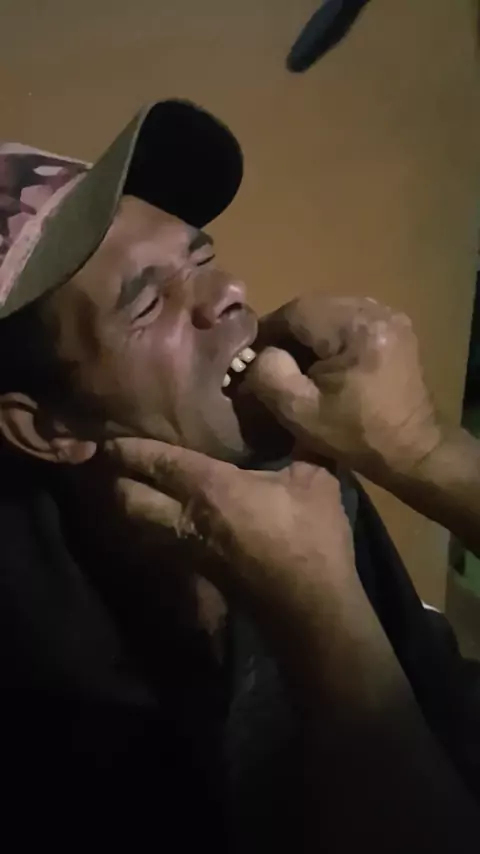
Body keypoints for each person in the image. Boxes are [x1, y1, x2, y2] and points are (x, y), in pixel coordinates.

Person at [0, 99, 478, 849]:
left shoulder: (300, 480)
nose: (228, 291)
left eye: (200, 258)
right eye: (146, 302)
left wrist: (421, 451)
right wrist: (315, 607)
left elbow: (442, 714)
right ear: (45, 429)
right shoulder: (40, 696)